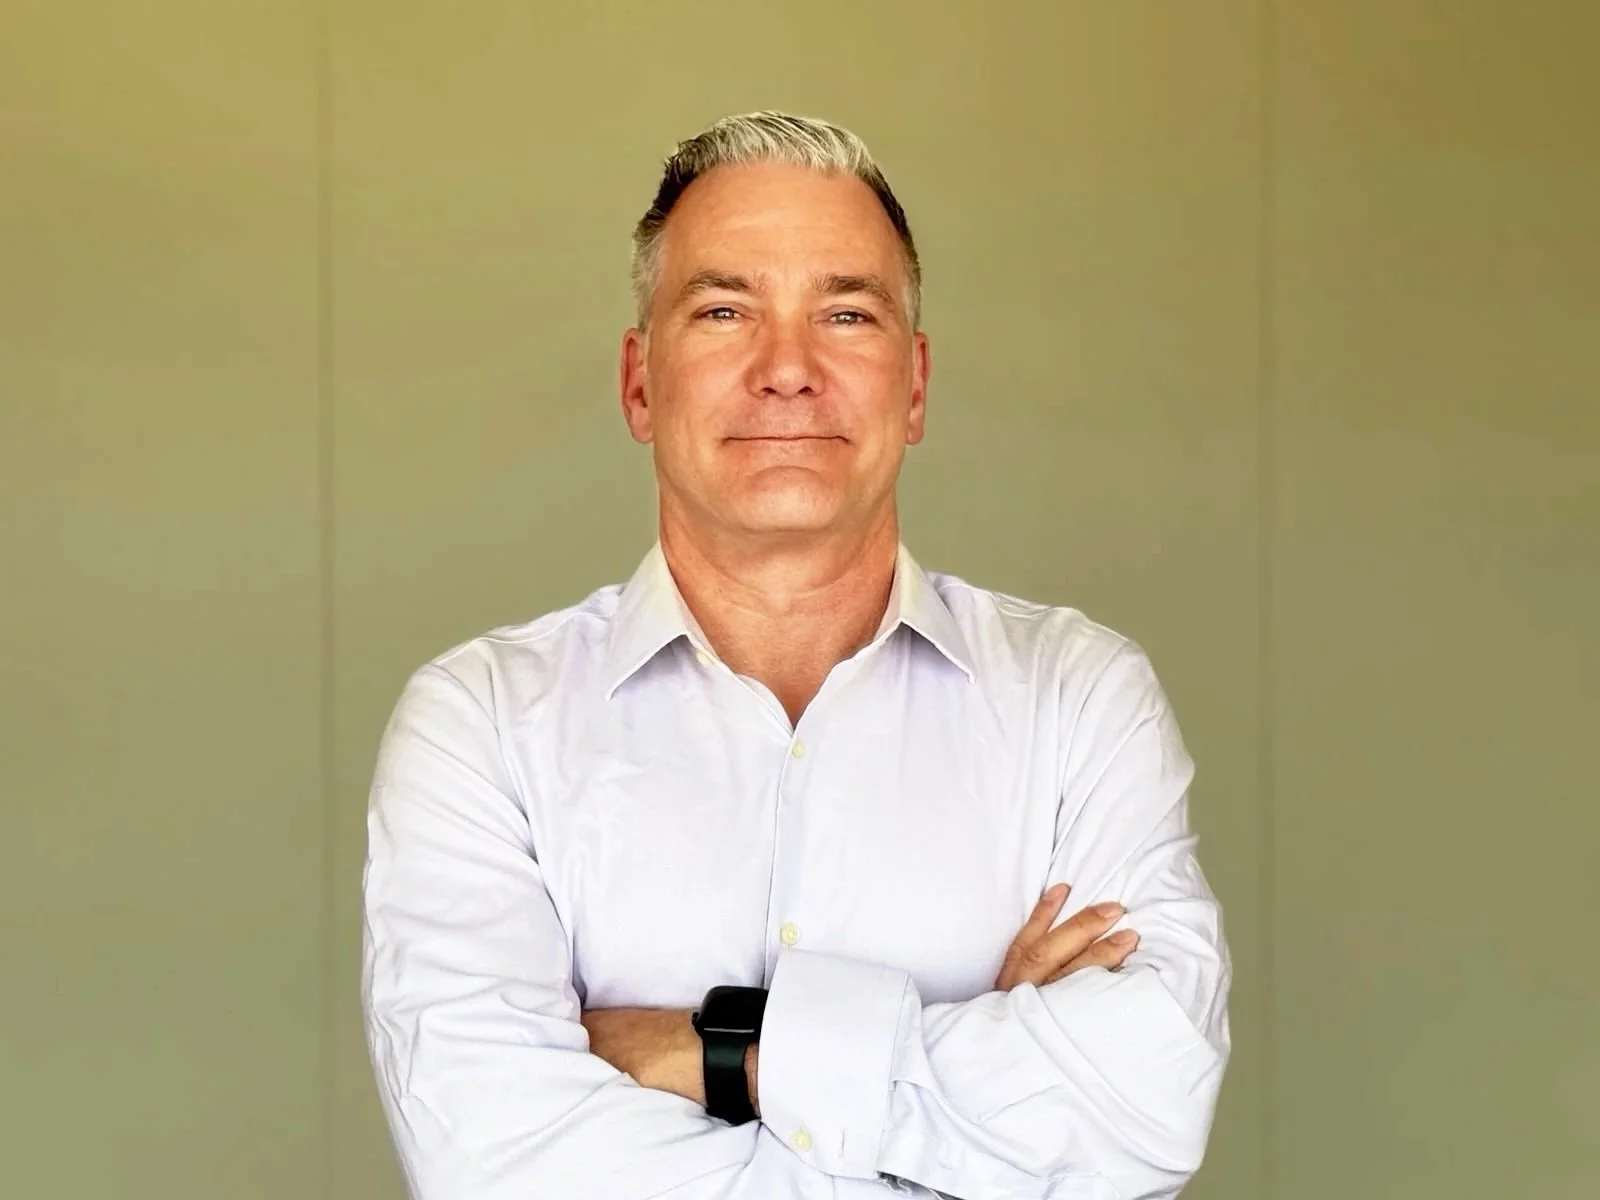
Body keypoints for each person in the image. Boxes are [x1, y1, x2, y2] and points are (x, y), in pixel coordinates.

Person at [361, 111, 1231, 1200]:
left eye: (847, 314)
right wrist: (975, 1089)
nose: (787, 369)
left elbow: (1140, 1112)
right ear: (639, 383)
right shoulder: (480, 724)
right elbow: (497, 1163)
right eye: (723, 310)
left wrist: (706, 1052)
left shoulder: (1079, 698)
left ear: (914, 386)